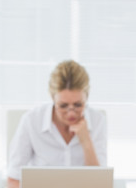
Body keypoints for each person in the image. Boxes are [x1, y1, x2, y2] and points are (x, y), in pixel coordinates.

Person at [7, 60, 107, 188]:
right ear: (52, 98)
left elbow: (100, 184)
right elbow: (13, 178)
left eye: (78, 105)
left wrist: (86, 140)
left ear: (86, 98)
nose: (71, 113)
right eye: (63, 106)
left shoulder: (98, 121)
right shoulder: (31, 121)